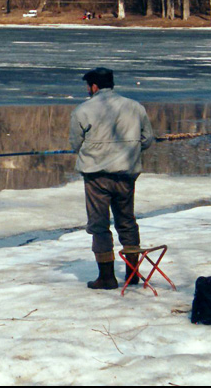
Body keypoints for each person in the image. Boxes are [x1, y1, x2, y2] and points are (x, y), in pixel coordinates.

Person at [69, 67, 155, 290]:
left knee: (99, 225)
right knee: (127, 221)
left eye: (88, 86)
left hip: (96, 176)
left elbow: (75, 144)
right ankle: (132, 274)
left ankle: (106, 277)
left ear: (94, 87)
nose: (87, 90)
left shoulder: (83, 109)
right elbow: (147, 139)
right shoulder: (135, 107)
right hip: (126, 173)